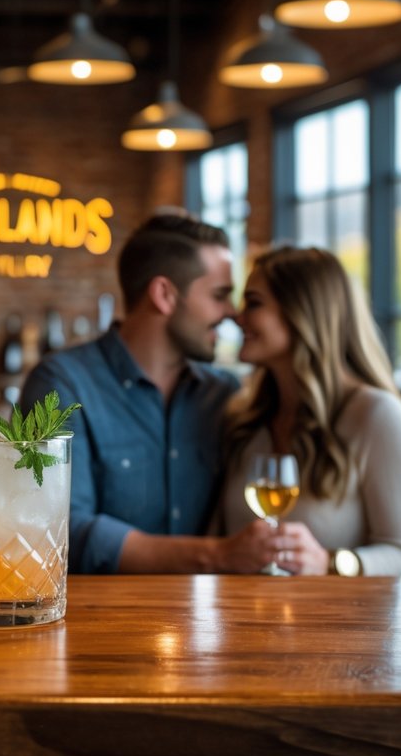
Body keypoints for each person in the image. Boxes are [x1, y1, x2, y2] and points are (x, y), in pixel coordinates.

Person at [23, 210, 279, 574]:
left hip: (211, 618)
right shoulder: (61, 384)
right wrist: (216, 555)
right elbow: (58, 528)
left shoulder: (224, 394)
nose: (232, 313)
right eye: (220, 295)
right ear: (164, 295)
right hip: (100, 619)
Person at [216, 246, 401, 575]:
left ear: (302, 313)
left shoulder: (377, 416)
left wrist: (331, 563)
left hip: (334, 623)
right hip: (244, 619)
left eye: (254, 303)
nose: (238, 317)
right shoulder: (245, 417)